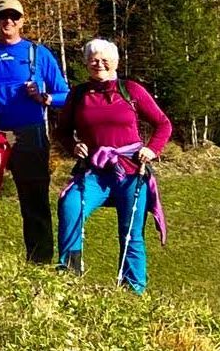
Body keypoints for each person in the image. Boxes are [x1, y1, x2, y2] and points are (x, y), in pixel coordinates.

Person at [57, 39, 171, 293]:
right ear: (86, 63)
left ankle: (133, 289)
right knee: (70, 206)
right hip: (93, 172)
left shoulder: (130, 90)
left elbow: (163, 124)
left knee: (131, 232)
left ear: (116, 62)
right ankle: (69, 276)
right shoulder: (78, 94)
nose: (99, 63)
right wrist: (73, 146)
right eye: (93, 59)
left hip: (131, 171)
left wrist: (152, 149)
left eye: (104, 59)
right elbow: (62, 131)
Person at [0, 0, 70, 264]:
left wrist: (45, 98)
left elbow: (65, 94)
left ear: (22, 21)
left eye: (14, 16)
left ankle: (39, 262)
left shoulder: (38, 54)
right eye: (3, 16)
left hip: (30, 134)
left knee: (34, 200)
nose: (8, 21)